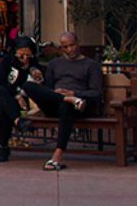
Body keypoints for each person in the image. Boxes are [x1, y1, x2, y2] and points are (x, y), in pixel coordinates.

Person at [30, 31, 104, 171]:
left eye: (72, 45)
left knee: (66, 106)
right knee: (28, 86)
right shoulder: (54, 64)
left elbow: (96, 93)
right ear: (61, 48)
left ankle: (57, 155)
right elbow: (48, 89)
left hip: (79, 106)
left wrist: (74, 93)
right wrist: (53, 92)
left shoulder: (91, 65)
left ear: (78, 44)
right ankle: (68, 99)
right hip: (55, 103)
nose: (70, 50)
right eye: (66, 47)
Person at [0, 36, 44, 163]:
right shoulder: (7, 62)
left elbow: (39, 85)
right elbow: (0, 83)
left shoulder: (33, 65)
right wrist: (17, 95)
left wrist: (38, 76)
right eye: (22, 55)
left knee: (2, 111)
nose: (25, 59)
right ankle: (18, 121)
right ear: (15, 52)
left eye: (28, 55)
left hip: (10, 106)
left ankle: (4, 148)